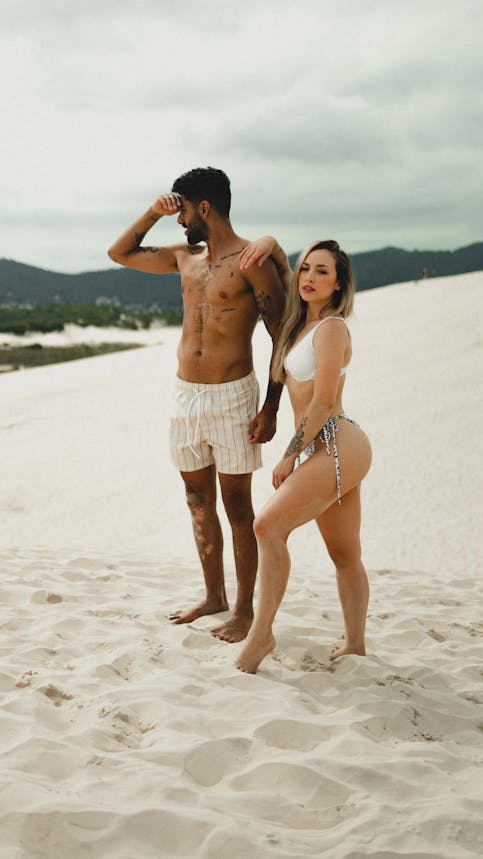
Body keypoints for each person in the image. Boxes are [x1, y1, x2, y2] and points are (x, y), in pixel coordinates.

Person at [107, 168, 290, 643]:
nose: (178, 219)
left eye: (182, 209)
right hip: (186, 395)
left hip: (233, 396)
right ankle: (214, 595)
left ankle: (246, 611)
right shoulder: (185, 258)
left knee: (237, 507)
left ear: (204, 208)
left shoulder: (253, 260)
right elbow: (119, 253)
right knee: (197, 500)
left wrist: (271, 407)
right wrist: (152, 211)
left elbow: (282, 337)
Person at [234, 239, 372, 673]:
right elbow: (284, 272)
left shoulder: (332, 329)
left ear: (338, 284)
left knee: (267, 525)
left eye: (323, 272)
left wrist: (289, 456)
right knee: (345, 554)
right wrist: (274, 246)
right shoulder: (300, 327)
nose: (310, 278)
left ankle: (261, 634)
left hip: (336, 442)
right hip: (323, 446)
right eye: (306, 269)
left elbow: (324, 401)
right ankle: (355, 644)